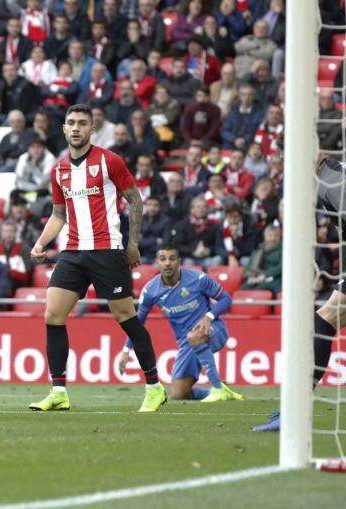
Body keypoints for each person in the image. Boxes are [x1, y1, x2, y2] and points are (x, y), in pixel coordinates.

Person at [28, 103, 166, 413]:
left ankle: (154, 387)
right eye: (71, 123)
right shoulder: (59, 170)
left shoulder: (110, 161)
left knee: (125, 317)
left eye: (82, 123)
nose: (75, 128)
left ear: (92, 129)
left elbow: (135, 201)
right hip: (73, 251)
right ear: (64, 129)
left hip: (107, 249)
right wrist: (40, 242)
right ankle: (59, 391)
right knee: (53, 315)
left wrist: (132, 244)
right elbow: (58, 214)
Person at [255, 154, 346, 431]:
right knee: (322, 321)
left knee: (322, 322)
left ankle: (294, 411)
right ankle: (293, 407)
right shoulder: (330, 178)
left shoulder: (331, 181)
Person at [115, 245, 244, 402]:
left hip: (213, 330)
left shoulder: (197, 278)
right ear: (157, 262)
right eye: (163, 259)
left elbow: (226, 299)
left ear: (179, 262)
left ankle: (217, 388)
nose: (167, 263)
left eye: (172, 258)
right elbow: (137, 323)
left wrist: (209, 316)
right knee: (179, 393)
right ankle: (221, 392)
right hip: (186, 343)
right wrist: (126, 350)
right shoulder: (151, 290)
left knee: (195, 336)